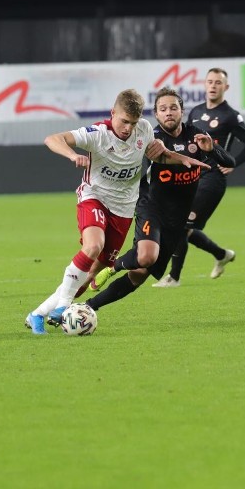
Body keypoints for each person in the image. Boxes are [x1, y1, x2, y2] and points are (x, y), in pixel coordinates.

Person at [24, 88, 210, 335]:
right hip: (95, 197)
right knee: (93, 246)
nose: (128, 128)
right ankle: (62, 308)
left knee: (89, 275)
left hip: (123, 209)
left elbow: (159, 156)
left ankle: (37, 314)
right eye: (123, 121)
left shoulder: (143, 129)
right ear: (113, 113)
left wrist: (181, 159)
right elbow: (52, 139)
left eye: (132, 123)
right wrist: (72, 155)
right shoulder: (96, 134)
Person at [77, 86, 236, 314]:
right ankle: (109, 268)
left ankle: (89, 307)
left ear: (182, 111)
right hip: (151, 207)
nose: (168, 112)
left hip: (178, 217)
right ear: (157, 114)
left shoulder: (197, 136)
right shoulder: (149, 138)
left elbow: (229, 162)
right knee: (146, 256)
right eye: (163, 109)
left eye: (173, 108)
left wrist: (211, 150)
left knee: (139, 275)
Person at [153, 68, 245, 287]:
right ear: (204, 85)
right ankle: (221, 254)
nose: (213, 86)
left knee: (182, 226)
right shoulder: (196, 112)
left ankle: (174, 277)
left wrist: (233, 164)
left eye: (218, 83)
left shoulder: (230, 115)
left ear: (225, 87)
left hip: (213, 178)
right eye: (209, 82)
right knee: (184, 227)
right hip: (192, 176)